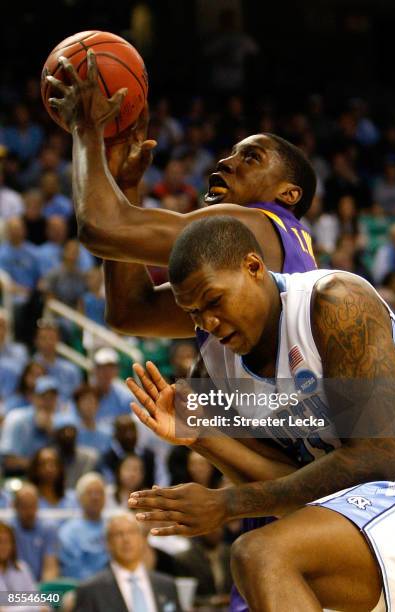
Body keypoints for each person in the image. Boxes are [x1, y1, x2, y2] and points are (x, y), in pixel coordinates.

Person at [47, 51, 317, 612]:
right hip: (289, 498)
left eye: (251, 155)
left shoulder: (262, 227)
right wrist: (126, 186)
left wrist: (86, 130)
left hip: (323, 502)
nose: (226, 161)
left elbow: (101, 225)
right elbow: (131, 312)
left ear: (287, 194)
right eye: (227, 152)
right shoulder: (239, 284)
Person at [126, 216, 395, 611]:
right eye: (195, 314)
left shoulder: (335, 300)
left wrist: (226, 504)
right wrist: (200, 435)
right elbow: (290, 488)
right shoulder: (213, 373)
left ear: (253, 267)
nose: (209, 324)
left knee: (262, 555)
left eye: (214, 301)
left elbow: (376, 460)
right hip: (369, 516)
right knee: (260, 562)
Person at [73, 512, 182, 612]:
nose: (126, 539)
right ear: (108, 543)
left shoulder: (167, 586)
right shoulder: (90, 590)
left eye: (131, 532)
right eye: (118, 534)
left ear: (142, 540)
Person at [0, 376, 60, 476]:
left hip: (43, 479)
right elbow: (8, 461)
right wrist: (40, 467)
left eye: (52, 399)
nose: (48, 403)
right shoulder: (17, 419)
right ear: (34, 398)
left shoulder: (57, 425)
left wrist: (51, 434)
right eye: (44, 398)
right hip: (15, 477)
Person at [58, 472, 108, 580]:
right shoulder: (68, 533)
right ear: (79, 498)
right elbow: (74, 572)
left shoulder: (113, 527)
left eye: (100, 492)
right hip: (85, 589)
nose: (96, 497)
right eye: (90, 493)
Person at [11, 484, 59, 582]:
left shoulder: (49, 529)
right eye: (24, 506)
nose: (29, 511)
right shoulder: (8, 530)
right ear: (15, 507)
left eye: (32, 506)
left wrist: (42, 592)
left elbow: (50, 567)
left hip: (40, 587)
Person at [0, 521, 41, 612]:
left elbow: (35, 599)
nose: (3, 546)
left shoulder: (22, 567)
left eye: (7, 542)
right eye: (0, 542)